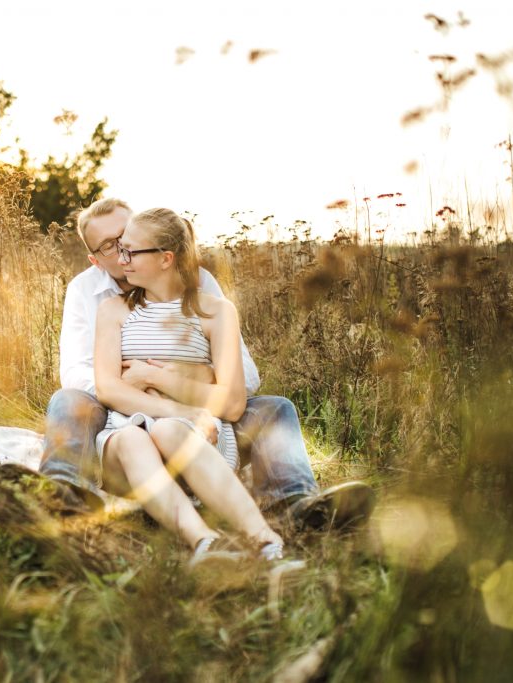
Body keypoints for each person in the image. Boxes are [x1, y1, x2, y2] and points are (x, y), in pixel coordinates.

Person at [40, 198, 374, 532]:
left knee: (275, 409)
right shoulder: (89, 294)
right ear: (95, 259)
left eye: (128, 236)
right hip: (122, 416)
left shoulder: (200, 286)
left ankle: (296, 504)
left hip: (203, 419)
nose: (123, 249)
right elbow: (78, 374)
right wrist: (137, 390)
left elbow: (245, 375)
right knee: (67, 400)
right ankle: (62, 494)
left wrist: (176, 376)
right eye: (112, 246)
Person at [94, 207, 285, 560]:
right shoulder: (113, 311)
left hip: (196, 436)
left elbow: (230, 404)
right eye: (121, 250)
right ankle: (205, 542)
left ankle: (266, 540)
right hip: (127, 436)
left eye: (131, 251)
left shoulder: (216, 312)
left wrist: (154, 376)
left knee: (168, 431)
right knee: (135, 438)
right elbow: (108, 389)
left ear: (166, 259)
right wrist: (186, 406)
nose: (122, 261)